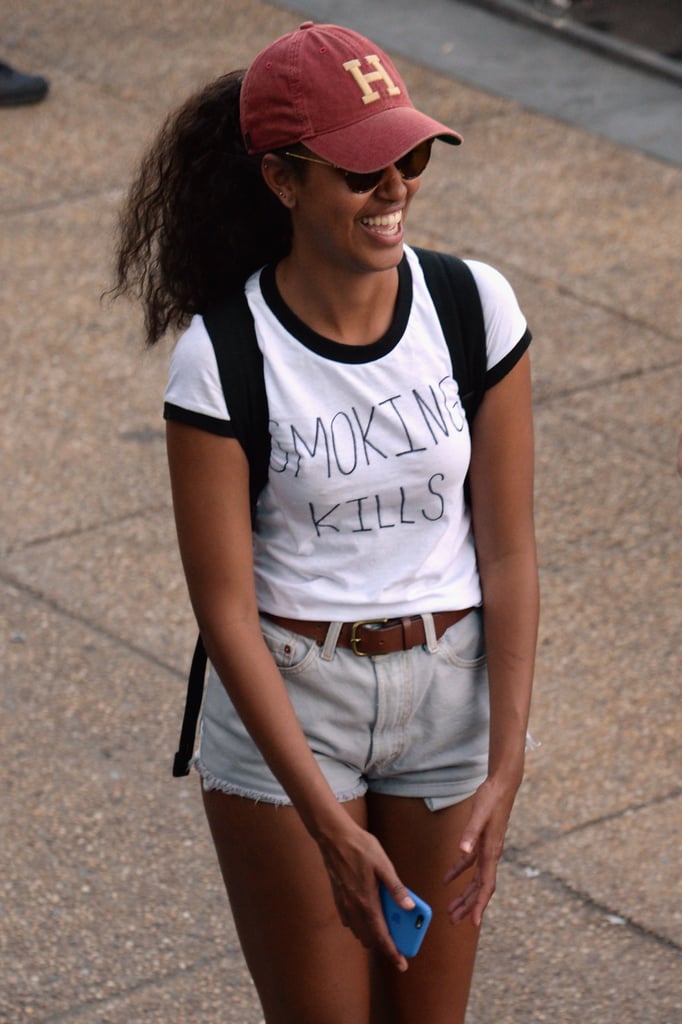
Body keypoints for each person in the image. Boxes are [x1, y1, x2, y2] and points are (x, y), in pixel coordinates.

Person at [112, 21, 539, 1024]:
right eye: (360, 171)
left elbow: (511, 553)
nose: (394, 188)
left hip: (452, 696)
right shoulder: (223, 357)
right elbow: (222, 609)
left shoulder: (474, 307)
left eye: (410, 156)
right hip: (293, 707)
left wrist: (507, 763)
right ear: (282, 181)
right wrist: (325, 827)